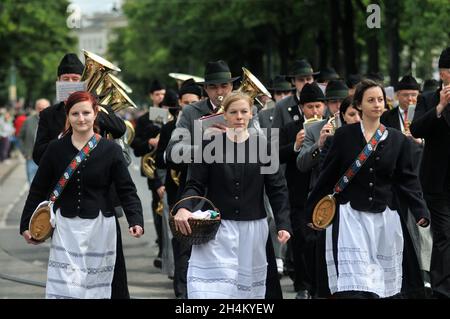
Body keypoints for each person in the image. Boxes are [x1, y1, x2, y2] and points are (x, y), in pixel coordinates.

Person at [306, 79, 430, 298]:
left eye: (380, 100)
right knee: (356, 283)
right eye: (370, 100)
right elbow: (327, 176)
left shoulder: (398, 139)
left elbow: (407, 180)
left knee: (384, 283)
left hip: (386, 218)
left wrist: (420, 210)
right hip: (350, 218)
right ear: (359, 105)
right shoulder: (343, 136)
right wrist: (312, 211)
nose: (376, 104)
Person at [20, 91, 144, 299]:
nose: (81, 118)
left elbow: (126, 190)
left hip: (101, 228)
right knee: (66, 286)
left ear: (95, 114)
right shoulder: (54, 149)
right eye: (75, 113)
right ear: (68, 116)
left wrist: (135, 219)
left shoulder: (110, 150)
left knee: (96, 286)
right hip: (65, 229)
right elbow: (38, 189)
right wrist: (26, 224)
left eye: (86, 112)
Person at [174, 92, 291, 299]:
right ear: (225, 116)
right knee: (212, 291)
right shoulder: (208, 146)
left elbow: (277, 189)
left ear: (251, 114)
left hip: (253, 230)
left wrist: (283, 224)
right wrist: (184, 207)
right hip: (218, 230)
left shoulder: (264, 147)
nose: (239, 116)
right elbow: (195, 184)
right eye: (233, 112)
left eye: (244, 111)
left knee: (247, 292)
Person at [33, 53, 126, 164]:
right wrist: (62, 138)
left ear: (83, 82)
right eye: (66, 79)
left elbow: (120, 129)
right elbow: (38, 156)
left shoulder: (98, 108)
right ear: (58, 81)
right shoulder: (47, 114)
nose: (70, 82)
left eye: (75, 79)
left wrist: (91, 109)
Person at [410, 46, 450, 298]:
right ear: (442, 73)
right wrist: (441, 106)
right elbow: (416, 129)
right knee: (444, 234)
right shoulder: (428, 98)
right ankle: (441, 289)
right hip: (437, 180)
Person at [271, 59, 317, 129]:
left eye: (309, 79)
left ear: (313, 80)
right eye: (301, 80)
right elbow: (274, 137)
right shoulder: (281, 106)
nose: (306, 83)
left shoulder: (322, 103)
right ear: (293, 81)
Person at [19, 98, 50, 183]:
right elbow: (20, 137)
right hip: (31, 157)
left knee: (46, 184)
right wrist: (24, 152)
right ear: (36, 108)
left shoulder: (53, 120)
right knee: (32, 183)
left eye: (45, 108)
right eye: (40, 108)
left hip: (48, 158)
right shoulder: (28, 121)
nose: (42, 110)